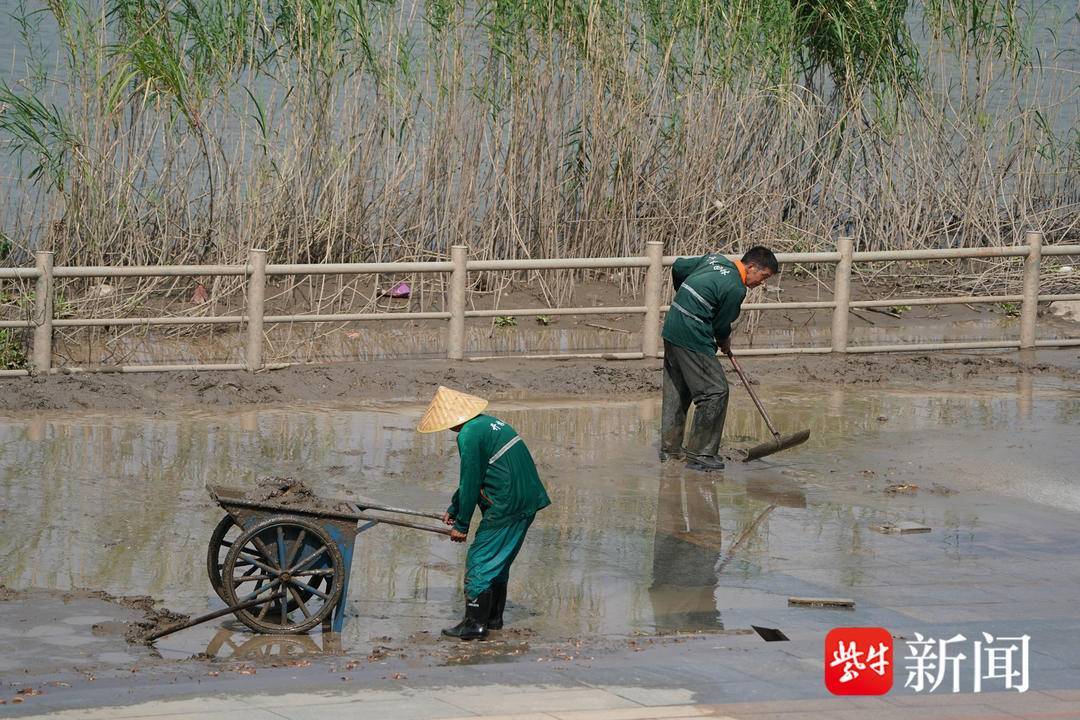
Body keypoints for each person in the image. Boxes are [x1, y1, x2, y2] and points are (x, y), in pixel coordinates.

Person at [417, 386, 551, 640]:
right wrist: (455, 507)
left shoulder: (468, 435)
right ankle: (493, 619)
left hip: (507, 504)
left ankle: (474, 625)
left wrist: (462, 525)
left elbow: (470, 480)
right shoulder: (490, 424)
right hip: (527, 498)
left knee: (480, 559)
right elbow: (478, 475)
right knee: (498, 560)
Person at [660, 246, 778, 471]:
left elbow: (679, 266)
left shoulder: (714, 260)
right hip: (692, 335)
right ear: (752, 267)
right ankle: (701, 454)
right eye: (763, 276)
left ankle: (670, 451)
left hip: (672, 326)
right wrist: (724, 339)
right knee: (715, 392)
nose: (761, 283)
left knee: (678, 390)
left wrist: (685, 297)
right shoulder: (735, 288)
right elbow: (721, 324)